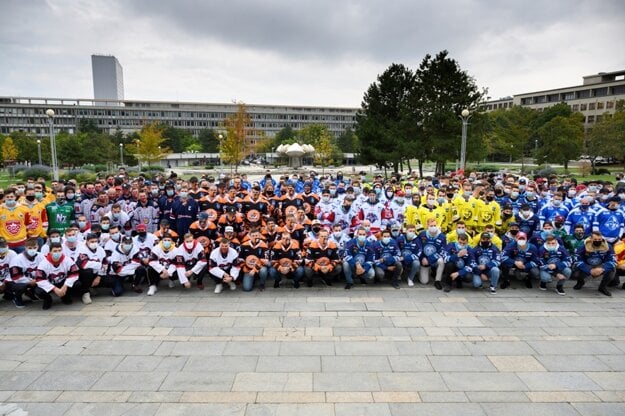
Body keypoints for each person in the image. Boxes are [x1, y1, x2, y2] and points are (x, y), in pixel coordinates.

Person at [35, 242, 82, 309]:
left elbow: (74, 274)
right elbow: (40, 280)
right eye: (55, 251)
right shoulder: (43, 263)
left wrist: (65, 285)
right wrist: (54, 289)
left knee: (77, 284)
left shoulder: (67, 260)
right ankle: (48, 300)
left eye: (59, 250)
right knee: (38, 291)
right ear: (50, 252)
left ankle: (65, 295)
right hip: (50, 284)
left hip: (63, 283)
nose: (57, 252)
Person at [574, 230, 617, 296]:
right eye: (595, 239)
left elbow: (613, 261)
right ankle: (580, 282)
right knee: (576, 270)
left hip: (601, 266)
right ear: (591, 239)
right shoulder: (583, 246)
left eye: (599, 239)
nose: (597, 241)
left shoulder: (608, 246)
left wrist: (603, 268)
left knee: (612, 269)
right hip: (587, 265)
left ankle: (602, 287)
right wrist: (589, 270)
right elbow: (577, 260)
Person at [75, 233, 108, 304]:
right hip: (83, 274)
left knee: (110, 280)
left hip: (97, 273)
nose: (94, 243)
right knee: (87, 271)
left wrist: (99, 277)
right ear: (87, 241)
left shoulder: (101, 249)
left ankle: (92, 288)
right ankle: (85, 293)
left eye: (96, 241)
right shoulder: (82, 249)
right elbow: (83, 264)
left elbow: (105, 263)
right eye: (92, 242)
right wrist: (99, 265)